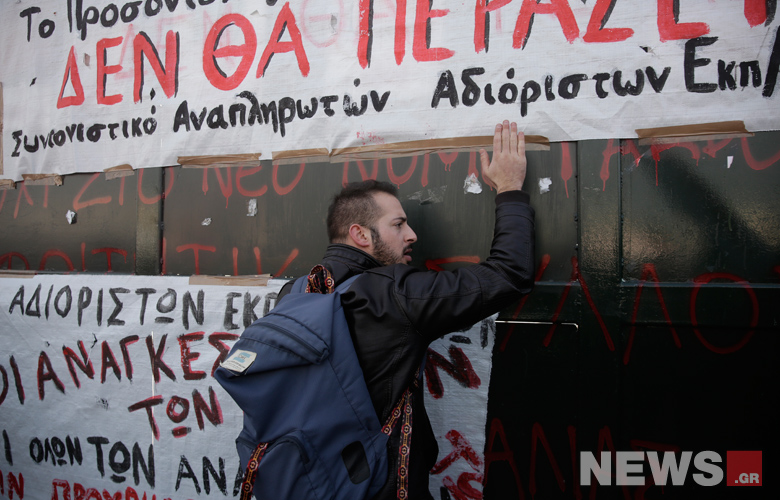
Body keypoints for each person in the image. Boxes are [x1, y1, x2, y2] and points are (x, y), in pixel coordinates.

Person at [279, 120, 535, 499]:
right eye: (398, 224)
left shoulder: (294, 292)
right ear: (360, 234)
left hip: (307, 481)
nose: (411, 234)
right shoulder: (393, 293)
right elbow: (509, 273)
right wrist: (510, 188)